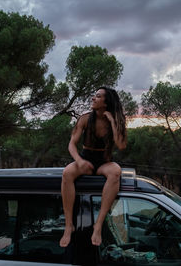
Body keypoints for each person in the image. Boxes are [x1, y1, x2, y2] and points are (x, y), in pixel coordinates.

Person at [59, 87, 127, 247]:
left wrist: (112, 121)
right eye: (94, 95)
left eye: (97, 96)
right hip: (86, 160)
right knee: (67, 173)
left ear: (106, 101)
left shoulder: (117, 120)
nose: (93, 98)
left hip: (104, 162)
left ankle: (98, 225)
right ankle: (69, 225)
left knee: (116, 171)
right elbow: (71, 144)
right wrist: (78, 160)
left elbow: (121, 145)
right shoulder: (84, 119)